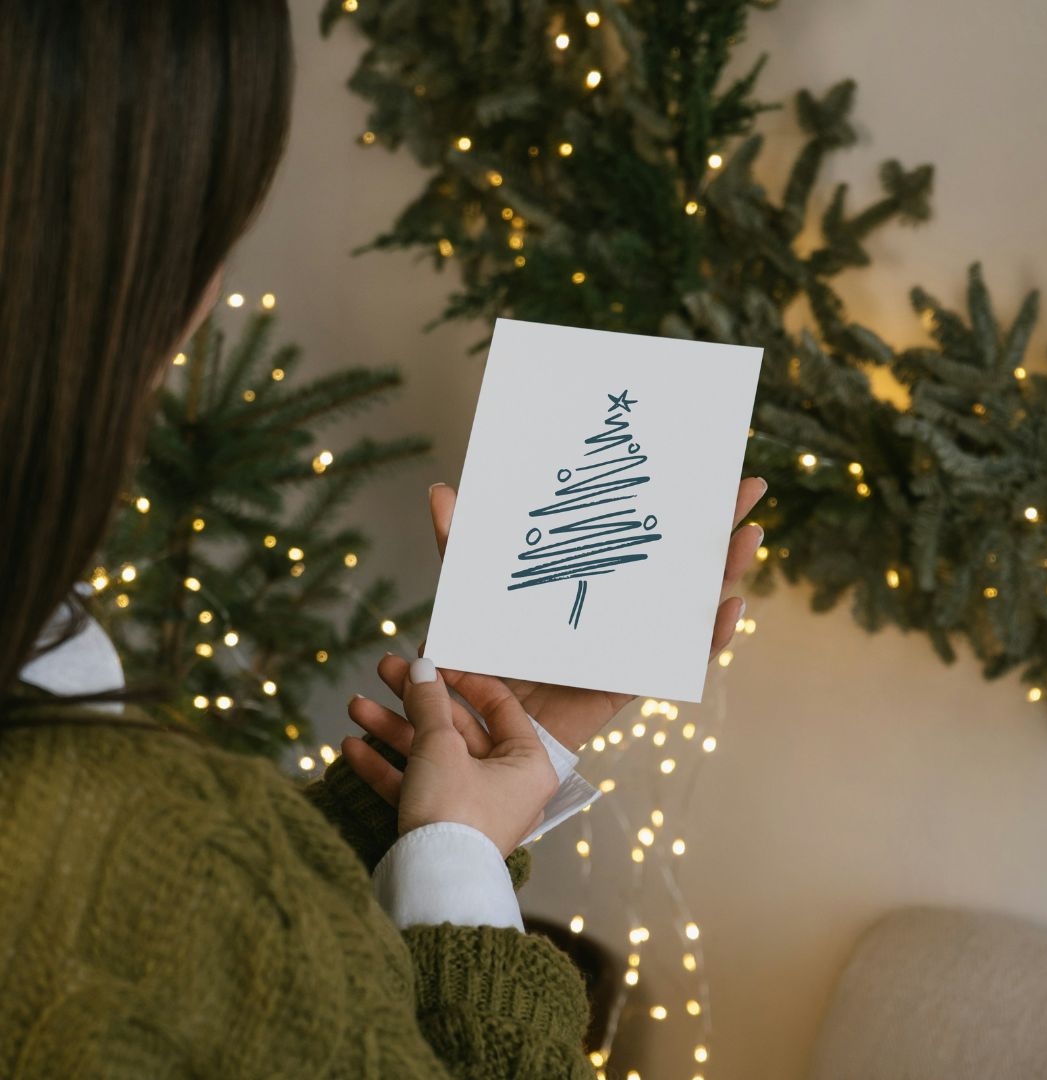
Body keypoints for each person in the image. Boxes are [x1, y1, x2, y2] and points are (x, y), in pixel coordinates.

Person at [0, 2, 767, 1076]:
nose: (211, 293)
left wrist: (439, 800)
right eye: (209, 230)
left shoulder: (71, 728)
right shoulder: (77, 812)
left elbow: (206, 957)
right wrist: (460, 867)